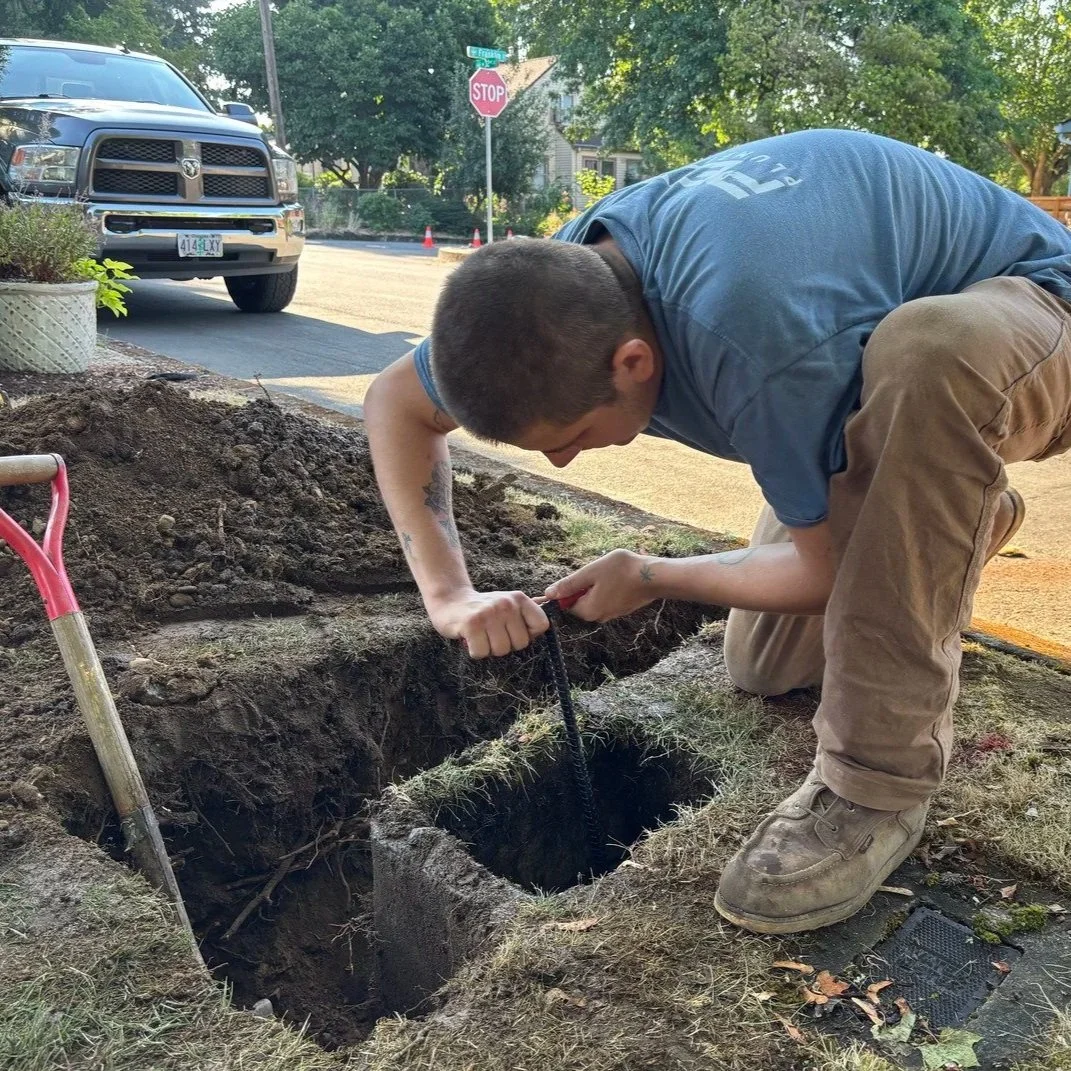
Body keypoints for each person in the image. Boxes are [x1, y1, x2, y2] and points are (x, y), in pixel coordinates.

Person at [364, 128, 1071, 935]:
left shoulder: (756, 339)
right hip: (856, 353)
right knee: (763, 664)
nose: (559, 459)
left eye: (563, 434)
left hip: (1036, 307)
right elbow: (396, 404)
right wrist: (450, 597)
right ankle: (948, 511)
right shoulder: (551, 295)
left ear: (633, 363)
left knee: (929, 355)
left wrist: (655, 575)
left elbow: (826, 575)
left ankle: (876, 790)